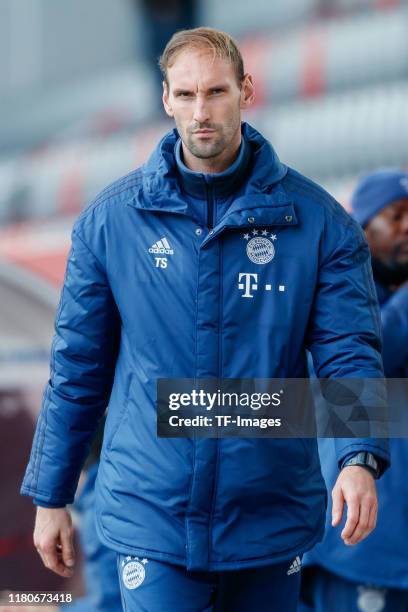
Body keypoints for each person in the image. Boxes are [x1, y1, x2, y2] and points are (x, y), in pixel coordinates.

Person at [21, 28, 390, 611]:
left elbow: (348, 349)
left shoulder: (320, 224)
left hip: (270, 507)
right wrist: (51, 495)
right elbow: (77, 370)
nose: (201, 112)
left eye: (215, 92)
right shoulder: (110, 223)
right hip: (152, 513)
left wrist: (357, 457)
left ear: (246, 90)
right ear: (165, 99)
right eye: (186, 95)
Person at [299, 169, 408, 612]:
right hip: (361, 546)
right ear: (361, 230)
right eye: (397, 216)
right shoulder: (332, 296)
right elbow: (372, 354)